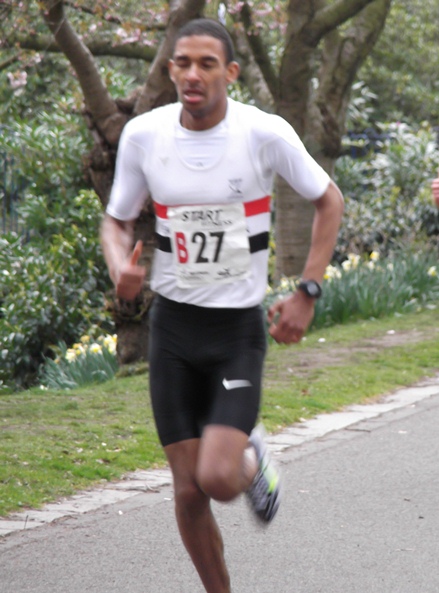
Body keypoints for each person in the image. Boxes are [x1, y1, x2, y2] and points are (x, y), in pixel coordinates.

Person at [101, 18, 344, 593]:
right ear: (170, 70)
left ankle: (250, 460)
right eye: (183, 63)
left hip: (236, 331)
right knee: (188, 491)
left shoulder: (263, 133)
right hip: (173, 329)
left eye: (207, 64)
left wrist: (307, 292)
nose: (193, 74)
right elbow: (116, 220)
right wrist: (119, 269)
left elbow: (329, 201)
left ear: (230, 72)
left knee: (217, 478)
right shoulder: (144, 136)